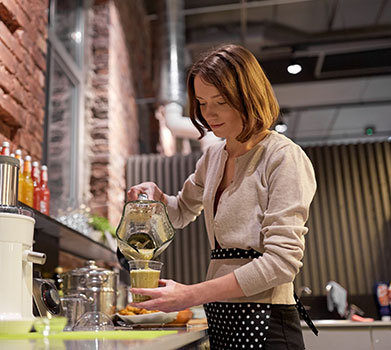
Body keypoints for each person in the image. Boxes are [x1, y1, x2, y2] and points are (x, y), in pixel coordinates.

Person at [127, 44, 317, 350]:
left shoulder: (283, 157)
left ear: (249, 97)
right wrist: (158, 197)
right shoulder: (214, 157)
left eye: (221, 101)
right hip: (222, 315)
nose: (208, 114)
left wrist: (192, 294)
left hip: (267, 319)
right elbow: (180, 212)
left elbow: (282, 262)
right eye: (202, 103)